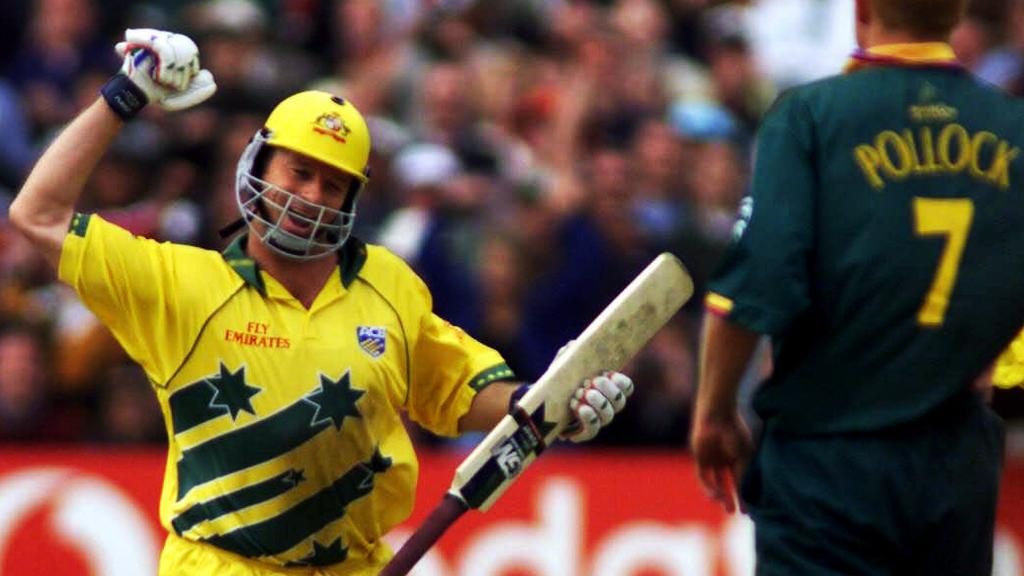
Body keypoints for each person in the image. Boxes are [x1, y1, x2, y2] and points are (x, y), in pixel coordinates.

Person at [9, 28, 635, 575]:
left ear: (353, 201)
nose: (311, 196)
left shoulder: (389, 282)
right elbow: (37, 214)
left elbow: (457, 390)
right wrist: (126, 95)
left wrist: (549, 402)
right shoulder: (179, 283)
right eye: (299, 172)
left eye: (333, 185)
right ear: (259, 165)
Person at [689, 1, 1024, 574]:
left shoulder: (810, 117)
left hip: (830, 455)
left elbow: (754, 283)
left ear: (862, 9)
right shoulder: (1012, 129)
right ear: (957, 15)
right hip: (958, 466)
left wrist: (714, 411)